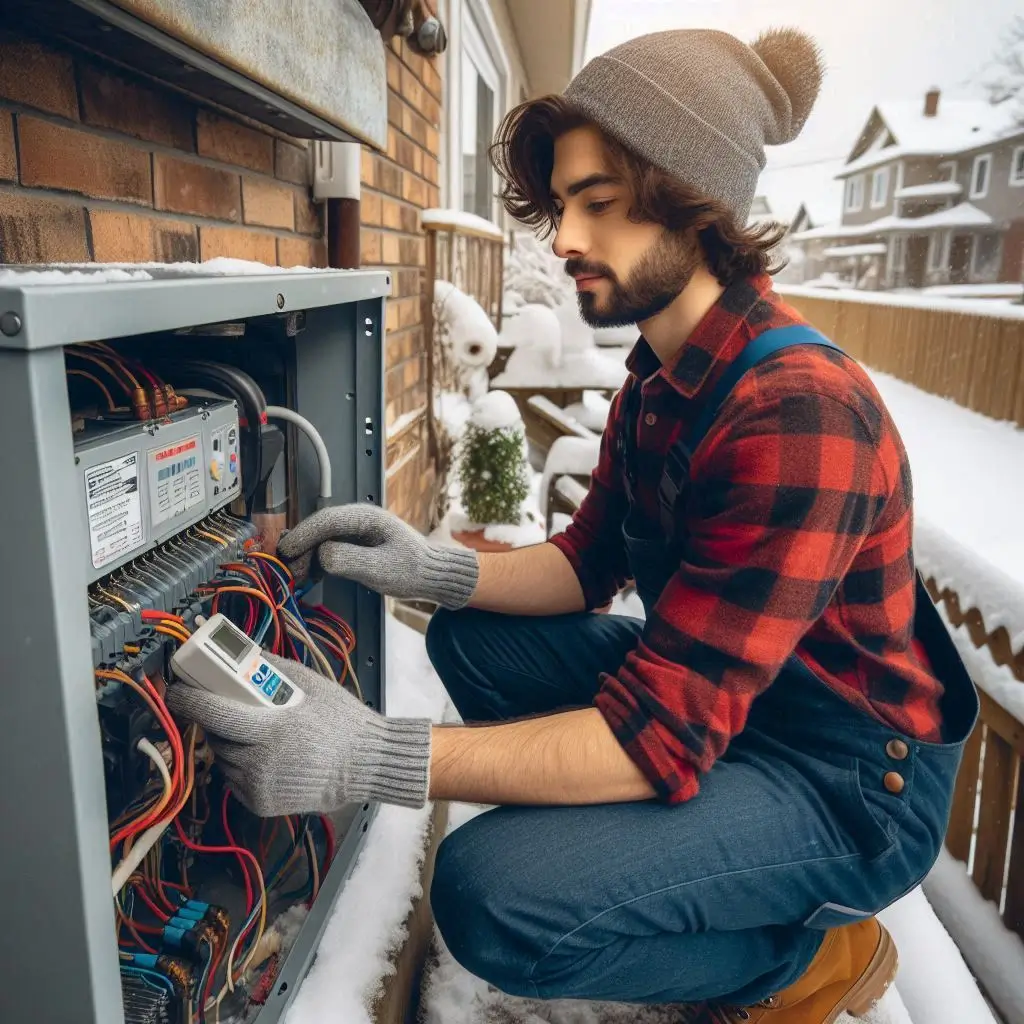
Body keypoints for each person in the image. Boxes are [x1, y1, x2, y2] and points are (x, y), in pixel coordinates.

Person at [168, 26, 979, 1023]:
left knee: (489, 894)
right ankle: (646, 864)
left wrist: (373, 751)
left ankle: (799, 955)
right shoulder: (661, 372)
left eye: (596, 202)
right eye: (560, 207)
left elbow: (659, 738)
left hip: (843, 782)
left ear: (695, 198)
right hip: (736, 709)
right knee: (476, 639)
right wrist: (435, 569)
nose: (562, 241)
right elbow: (586, 561)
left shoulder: (795, 410)